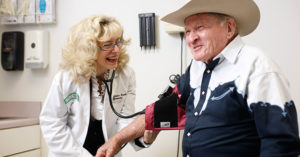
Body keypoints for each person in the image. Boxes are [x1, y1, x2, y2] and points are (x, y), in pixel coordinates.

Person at [96, 0, 300, 157]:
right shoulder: (197, 67)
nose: (191, 38)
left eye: (200, 28)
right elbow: (162, 110)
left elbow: (280, 143)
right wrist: (116, 140)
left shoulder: (256, 65)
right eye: (188, 31)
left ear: (229, 28)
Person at [40, 15, 146, 157]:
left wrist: (144, 137)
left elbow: (125, 120)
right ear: (89, 48)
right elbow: (52, 122)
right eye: (108, 44)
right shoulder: (67, 77)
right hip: (69, 153)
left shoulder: (125, 75)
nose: (116, 50)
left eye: (118, 42)